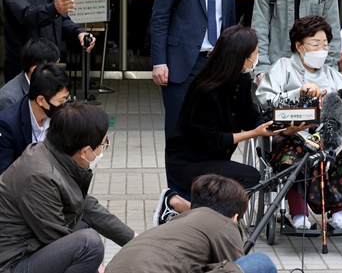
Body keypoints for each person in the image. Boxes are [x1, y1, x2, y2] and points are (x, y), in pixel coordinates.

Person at [154, 25, 289, 225]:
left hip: (212, 157)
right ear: (240, 57)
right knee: (249, 176)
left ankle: (192, 212)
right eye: (254, 55)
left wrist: (274, 127)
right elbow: (213, 140)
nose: (256, 60)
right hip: (187, 162)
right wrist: (254, 133)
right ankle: (183, 207)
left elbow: (249, 114)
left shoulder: (240, 79)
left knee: (245, 177)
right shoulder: (206, 90)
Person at [256, 15, 342, 230]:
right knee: (294, 154)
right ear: (299, 46)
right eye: (315, 44)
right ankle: (299, 216)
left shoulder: (333, 75)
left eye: (325, 44)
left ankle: (341, 214)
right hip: (293, 134)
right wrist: (298, 92)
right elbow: (265, 99)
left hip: (330, 137)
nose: (321, 50)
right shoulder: (283, 67)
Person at [0, 102, 135, 273]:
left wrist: (134, 239)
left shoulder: (51, 152)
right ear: (85, 152)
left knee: (82, 226)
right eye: (103, 144)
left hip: (26, 246)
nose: (103, 149)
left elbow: (85, 206)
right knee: (89, 244)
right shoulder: (40, 177)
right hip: (11, 264)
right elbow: (55, 238)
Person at [152, 0, 237, 137]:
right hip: (182, 65)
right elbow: (160, 19)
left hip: (217, 65)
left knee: (211, 129)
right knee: (178, 131)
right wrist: (159, 62)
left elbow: (229, 24)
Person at [106, 174, 277, 273]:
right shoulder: (224, 223)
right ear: (234, 216)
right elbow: (236, 265)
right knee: (260, 261)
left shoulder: (174, 223)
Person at [0, 63, 71, 174]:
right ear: (40, 100)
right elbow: (4, 175)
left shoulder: (57, 116)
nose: (64, 105)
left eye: (66, 100)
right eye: (61, 101)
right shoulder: (8, 124)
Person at [0, 38, 60, 111]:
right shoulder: (9, 99)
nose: (57, 71)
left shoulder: (46, 85)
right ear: (35, 69)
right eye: (54, 66)